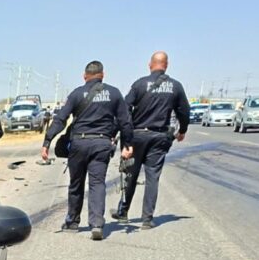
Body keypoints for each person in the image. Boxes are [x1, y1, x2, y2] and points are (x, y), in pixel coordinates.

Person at [42, 61, 133, 240]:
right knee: (97, 183)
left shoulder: (77, 93)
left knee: (76, 183)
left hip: (79, 143)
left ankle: (72, 221)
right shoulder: (114, 93)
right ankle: (97, 223)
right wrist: (127, 146)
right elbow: (125, 121)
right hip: (101, 143)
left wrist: (47, 141)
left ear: (85, 76)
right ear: (103, 75)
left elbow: (61, 119)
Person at [113, 50, 191, 228]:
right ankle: (147, 219)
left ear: (150, 65)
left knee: (130, 175)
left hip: (137, 135)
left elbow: (125, 108)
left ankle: (123, 212)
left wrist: (124, 134)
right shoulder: (175, 86)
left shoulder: (139, 84)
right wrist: (182, 130)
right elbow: (184, 111)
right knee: (152, 177)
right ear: (167, 65)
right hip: (160, 136)